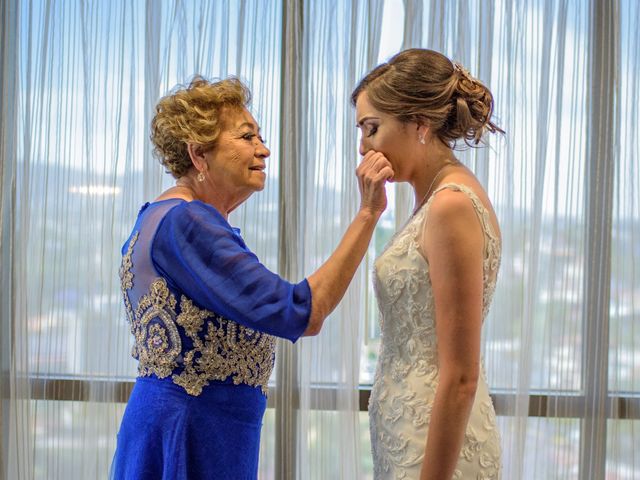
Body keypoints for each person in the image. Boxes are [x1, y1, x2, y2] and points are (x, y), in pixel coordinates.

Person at [110, 76, 393, 479]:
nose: (264, 149)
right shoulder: (189, 222)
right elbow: (299, 311)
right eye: (247, 136)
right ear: (198, 154)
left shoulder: (159, 215)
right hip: (191, 434)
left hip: (185, 426)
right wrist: (368, 213)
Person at [352, 49, 504, 479]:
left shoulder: (449, 206)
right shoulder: (432, 199)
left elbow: (460, 375)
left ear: (419, 123)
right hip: (407, 431)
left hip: (435, 446)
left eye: (372, 128)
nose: (363, 147)